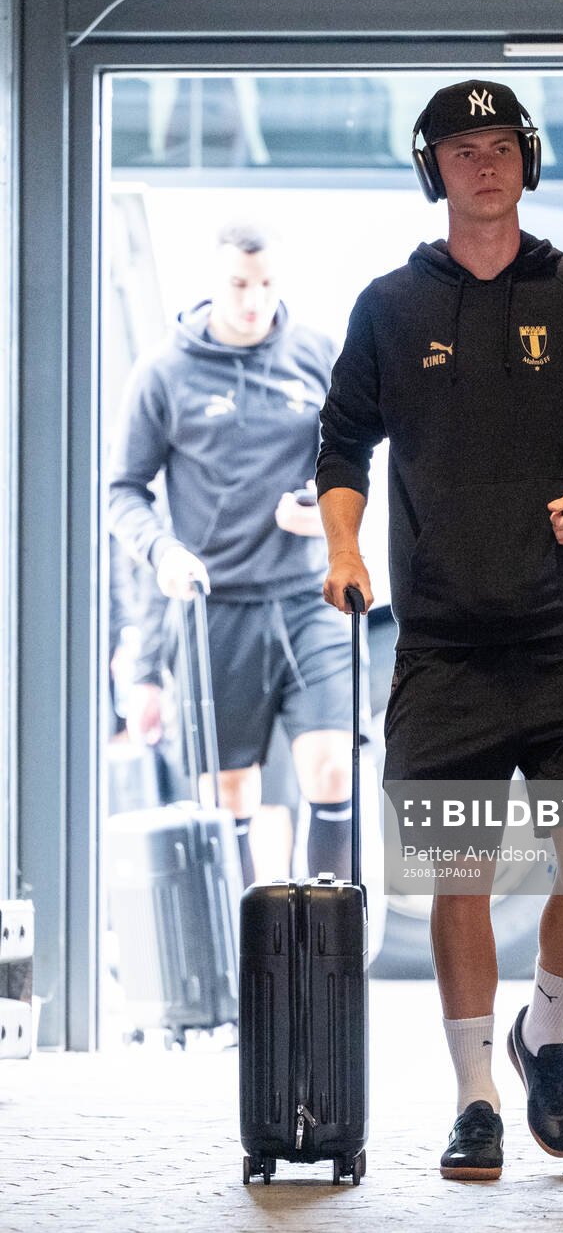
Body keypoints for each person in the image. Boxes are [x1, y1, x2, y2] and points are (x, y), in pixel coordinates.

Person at [316, 79, 563, 1180]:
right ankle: (475, 1096)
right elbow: (342, 443)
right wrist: (345, 550)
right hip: (444, 645)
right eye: (461, 148)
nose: (485, 164)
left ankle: (546, 1036)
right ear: (431, 169)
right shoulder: (389, 306)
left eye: (501, 146)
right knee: (460, 874)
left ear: (528, 160)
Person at [109, 220, 358, 887]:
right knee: (230, 792)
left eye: (267, 283)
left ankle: (330, 938)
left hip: (309, 597)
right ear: (213, 283)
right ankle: (248, 940)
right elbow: (122, 491)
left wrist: (325, 503)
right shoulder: (164, 372)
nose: (255, 300)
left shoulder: (316, 354)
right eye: (240, 285)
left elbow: (354, 455)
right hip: (216, 606)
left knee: (333, 767)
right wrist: (163, 552)